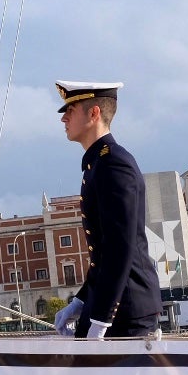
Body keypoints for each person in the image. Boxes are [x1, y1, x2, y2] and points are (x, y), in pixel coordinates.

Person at [51, 81, 162, 340]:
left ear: (94, 113)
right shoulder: (98, 163)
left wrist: (102, 319)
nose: (64, 119)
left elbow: (119, 247)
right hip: (110, 305)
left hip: (125, 310)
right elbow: (101, 256)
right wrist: (81, 301)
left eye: (71, 110)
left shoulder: (114, 164)